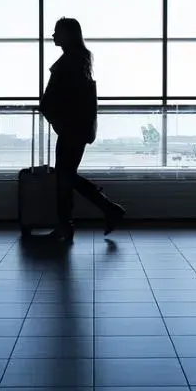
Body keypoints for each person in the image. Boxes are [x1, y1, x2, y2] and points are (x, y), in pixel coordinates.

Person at [40, 17, 126, 242]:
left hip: (70, 128)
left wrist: (54, 114)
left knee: (64, 177)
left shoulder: (70, 61)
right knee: (65, 176)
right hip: (75, 128)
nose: (53, 35)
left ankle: (70, 224)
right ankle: (101, 211)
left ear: (68, 34)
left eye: (57, 31)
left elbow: (61, 96)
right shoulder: (80, 59)